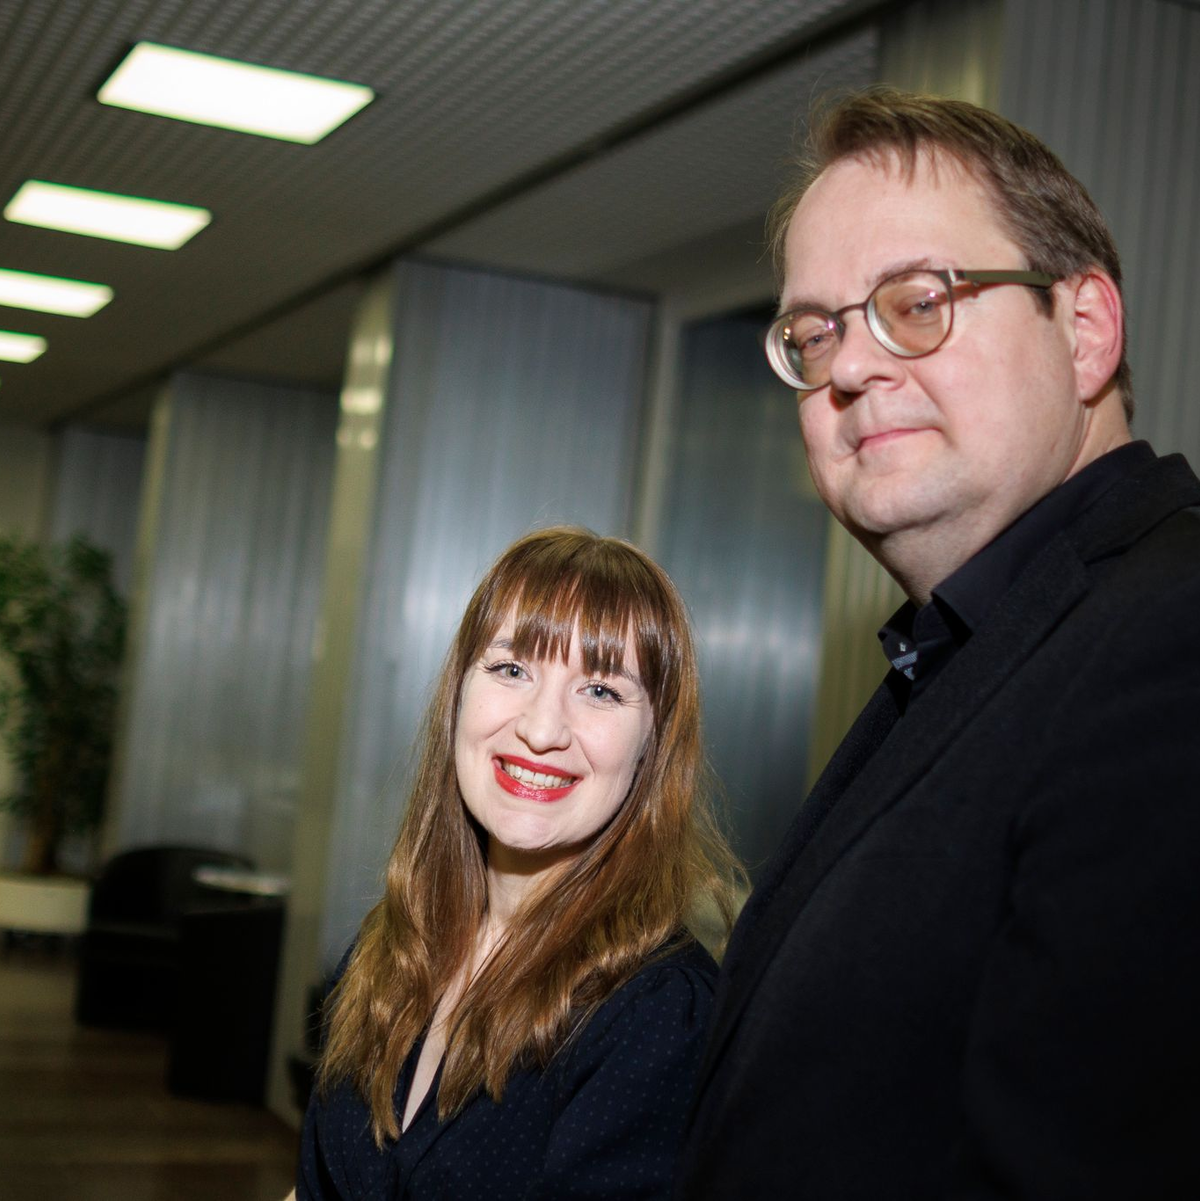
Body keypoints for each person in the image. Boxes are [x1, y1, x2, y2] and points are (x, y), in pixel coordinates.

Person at [676, 88, 1200, 1198]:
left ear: (1085, 331)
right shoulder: (970, 644)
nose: (850, 369)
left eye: (916, 302)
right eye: (815, 334)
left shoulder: (1170, 631)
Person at [295, 527, 742, 1200]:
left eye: (600, 690)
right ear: (458, 693)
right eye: (512, 670)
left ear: (651, 747)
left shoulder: (659, 1016)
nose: (540, 729)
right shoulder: (390, 948)